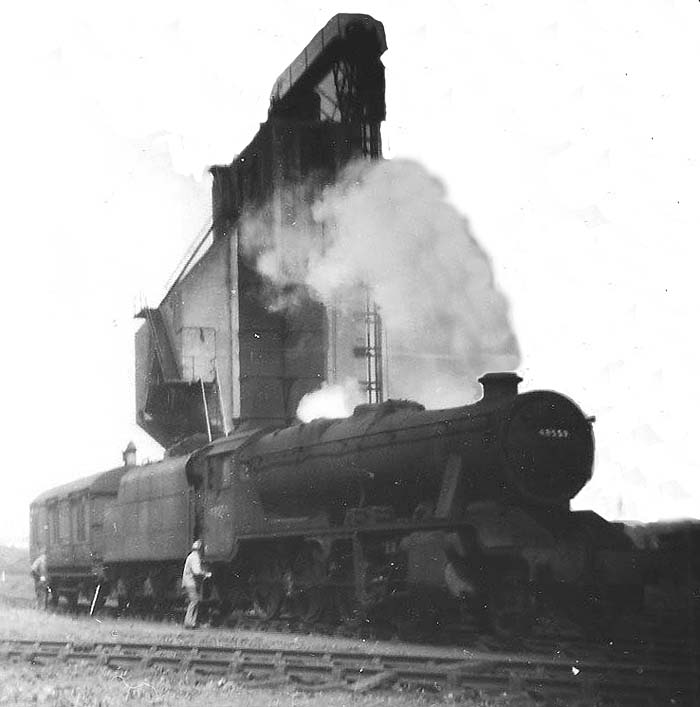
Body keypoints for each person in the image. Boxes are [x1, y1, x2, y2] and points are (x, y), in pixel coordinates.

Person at [182, 539, 210, 629]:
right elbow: (196, 571)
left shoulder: (192, 556)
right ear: (199, 549)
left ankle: (192, 623)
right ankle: (188, 623)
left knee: (195, 601)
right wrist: (206, 573)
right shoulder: (195, 557)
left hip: (190, 582)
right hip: (190, 582)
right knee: (194, 601)